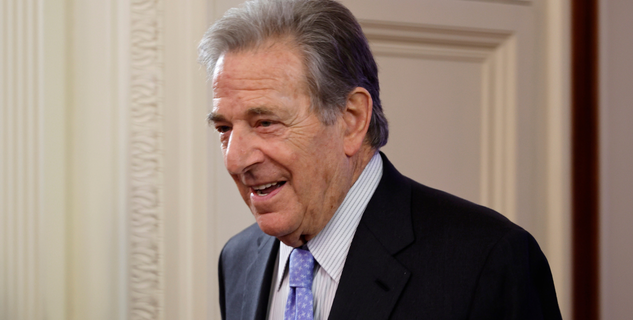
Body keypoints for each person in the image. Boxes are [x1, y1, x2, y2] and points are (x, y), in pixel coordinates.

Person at [199, 0, 562, 319]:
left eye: (265, 122)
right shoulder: (238, 259)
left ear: (352, 118)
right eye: (224, 128)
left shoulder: (488, 261)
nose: (235, 159)